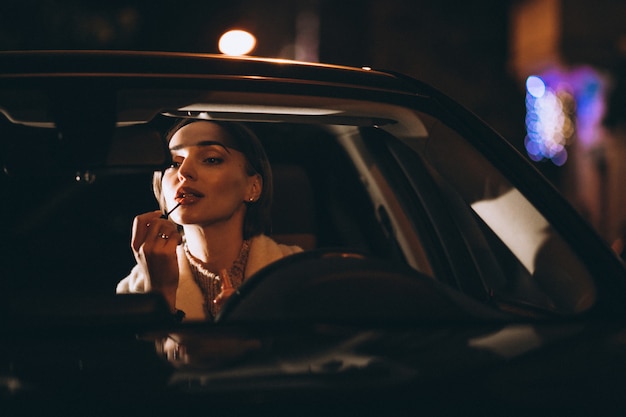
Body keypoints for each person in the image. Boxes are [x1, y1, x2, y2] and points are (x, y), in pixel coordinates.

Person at [116, 119, 302, 321]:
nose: (183, 172)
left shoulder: (299, 273)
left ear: (253, 187)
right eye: (173, 163)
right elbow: (144, 352)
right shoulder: (134, 290)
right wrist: (160, 294)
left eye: (211, 159)